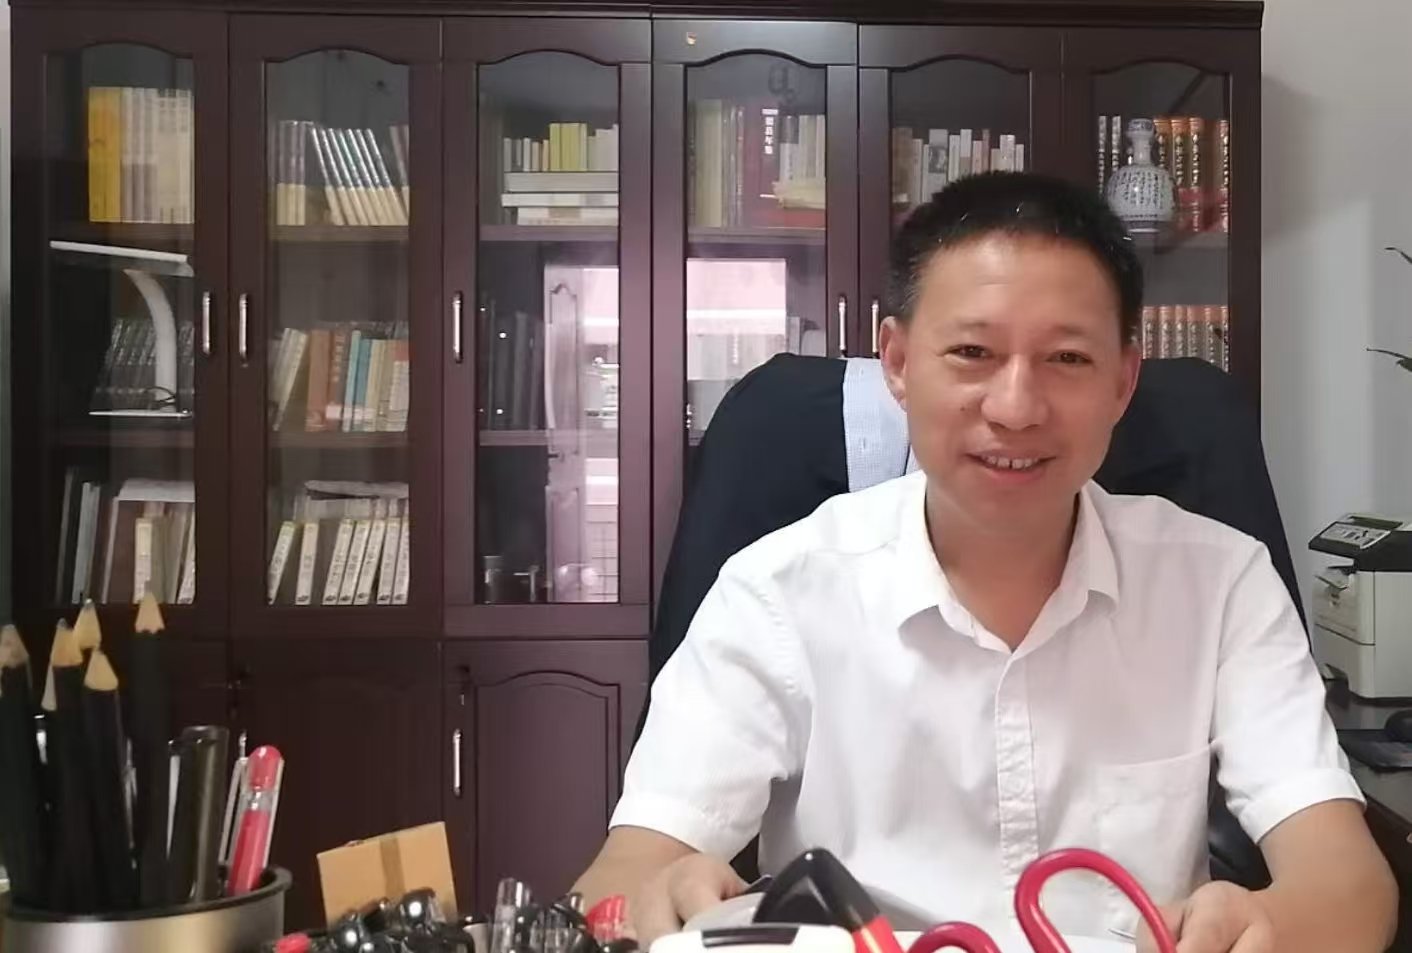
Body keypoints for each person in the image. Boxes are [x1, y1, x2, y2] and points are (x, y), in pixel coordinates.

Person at [572, 173, 1396, 953]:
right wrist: (655, 897)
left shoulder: (1220, 582)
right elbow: (619, 878)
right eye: (972, 351)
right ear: (898, 364)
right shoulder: (777, 591)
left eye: (1067, 359)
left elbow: (1352, 886)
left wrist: (1265, 923)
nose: (1016, 407)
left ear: (1122, 381)